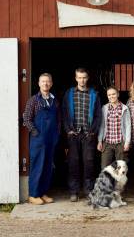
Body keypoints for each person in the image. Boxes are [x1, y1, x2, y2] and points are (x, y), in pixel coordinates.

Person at [62, 68, 102, 202]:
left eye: (84, 77)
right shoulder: (69, 94)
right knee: (73, 163)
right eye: (79, 77)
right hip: (73, 134)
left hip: (88, 134)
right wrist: (68, 130)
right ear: (75, 78)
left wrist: (93, 131)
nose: (82, 80)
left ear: (88, 78)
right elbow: (64, 114)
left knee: (89, 163)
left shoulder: (94, 94)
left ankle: (89, 190)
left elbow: (98, 115)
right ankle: (74, 191)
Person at [22, 73, 60, 205]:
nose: (45, 84)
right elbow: (26, 119)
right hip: (38, 140)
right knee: (37, 167)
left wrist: (57, 134)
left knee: (47, 167)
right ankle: (33, 195)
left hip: (50, 140)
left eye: (48, 81)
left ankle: (42, 193)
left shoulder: (54, 101)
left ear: (51, 83)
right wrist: (35, 132)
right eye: (43, 81)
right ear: (38, 83)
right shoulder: (33, 100)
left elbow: (58, 120)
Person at [97, 85, 131, 169]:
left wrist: (127, 142)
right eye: (109, 95)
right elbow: (102, 126)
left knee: (121, 169)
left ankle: (119, 183)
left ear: (118, 94)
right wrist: (100, 141)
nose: (111, 96)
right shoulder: (104, 108)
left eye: (113, 94)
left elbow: (128, 126)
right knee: (105, 168)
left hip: (120, 143)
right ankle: (107, 182)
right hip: (107, 143)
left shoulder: (124, 108)